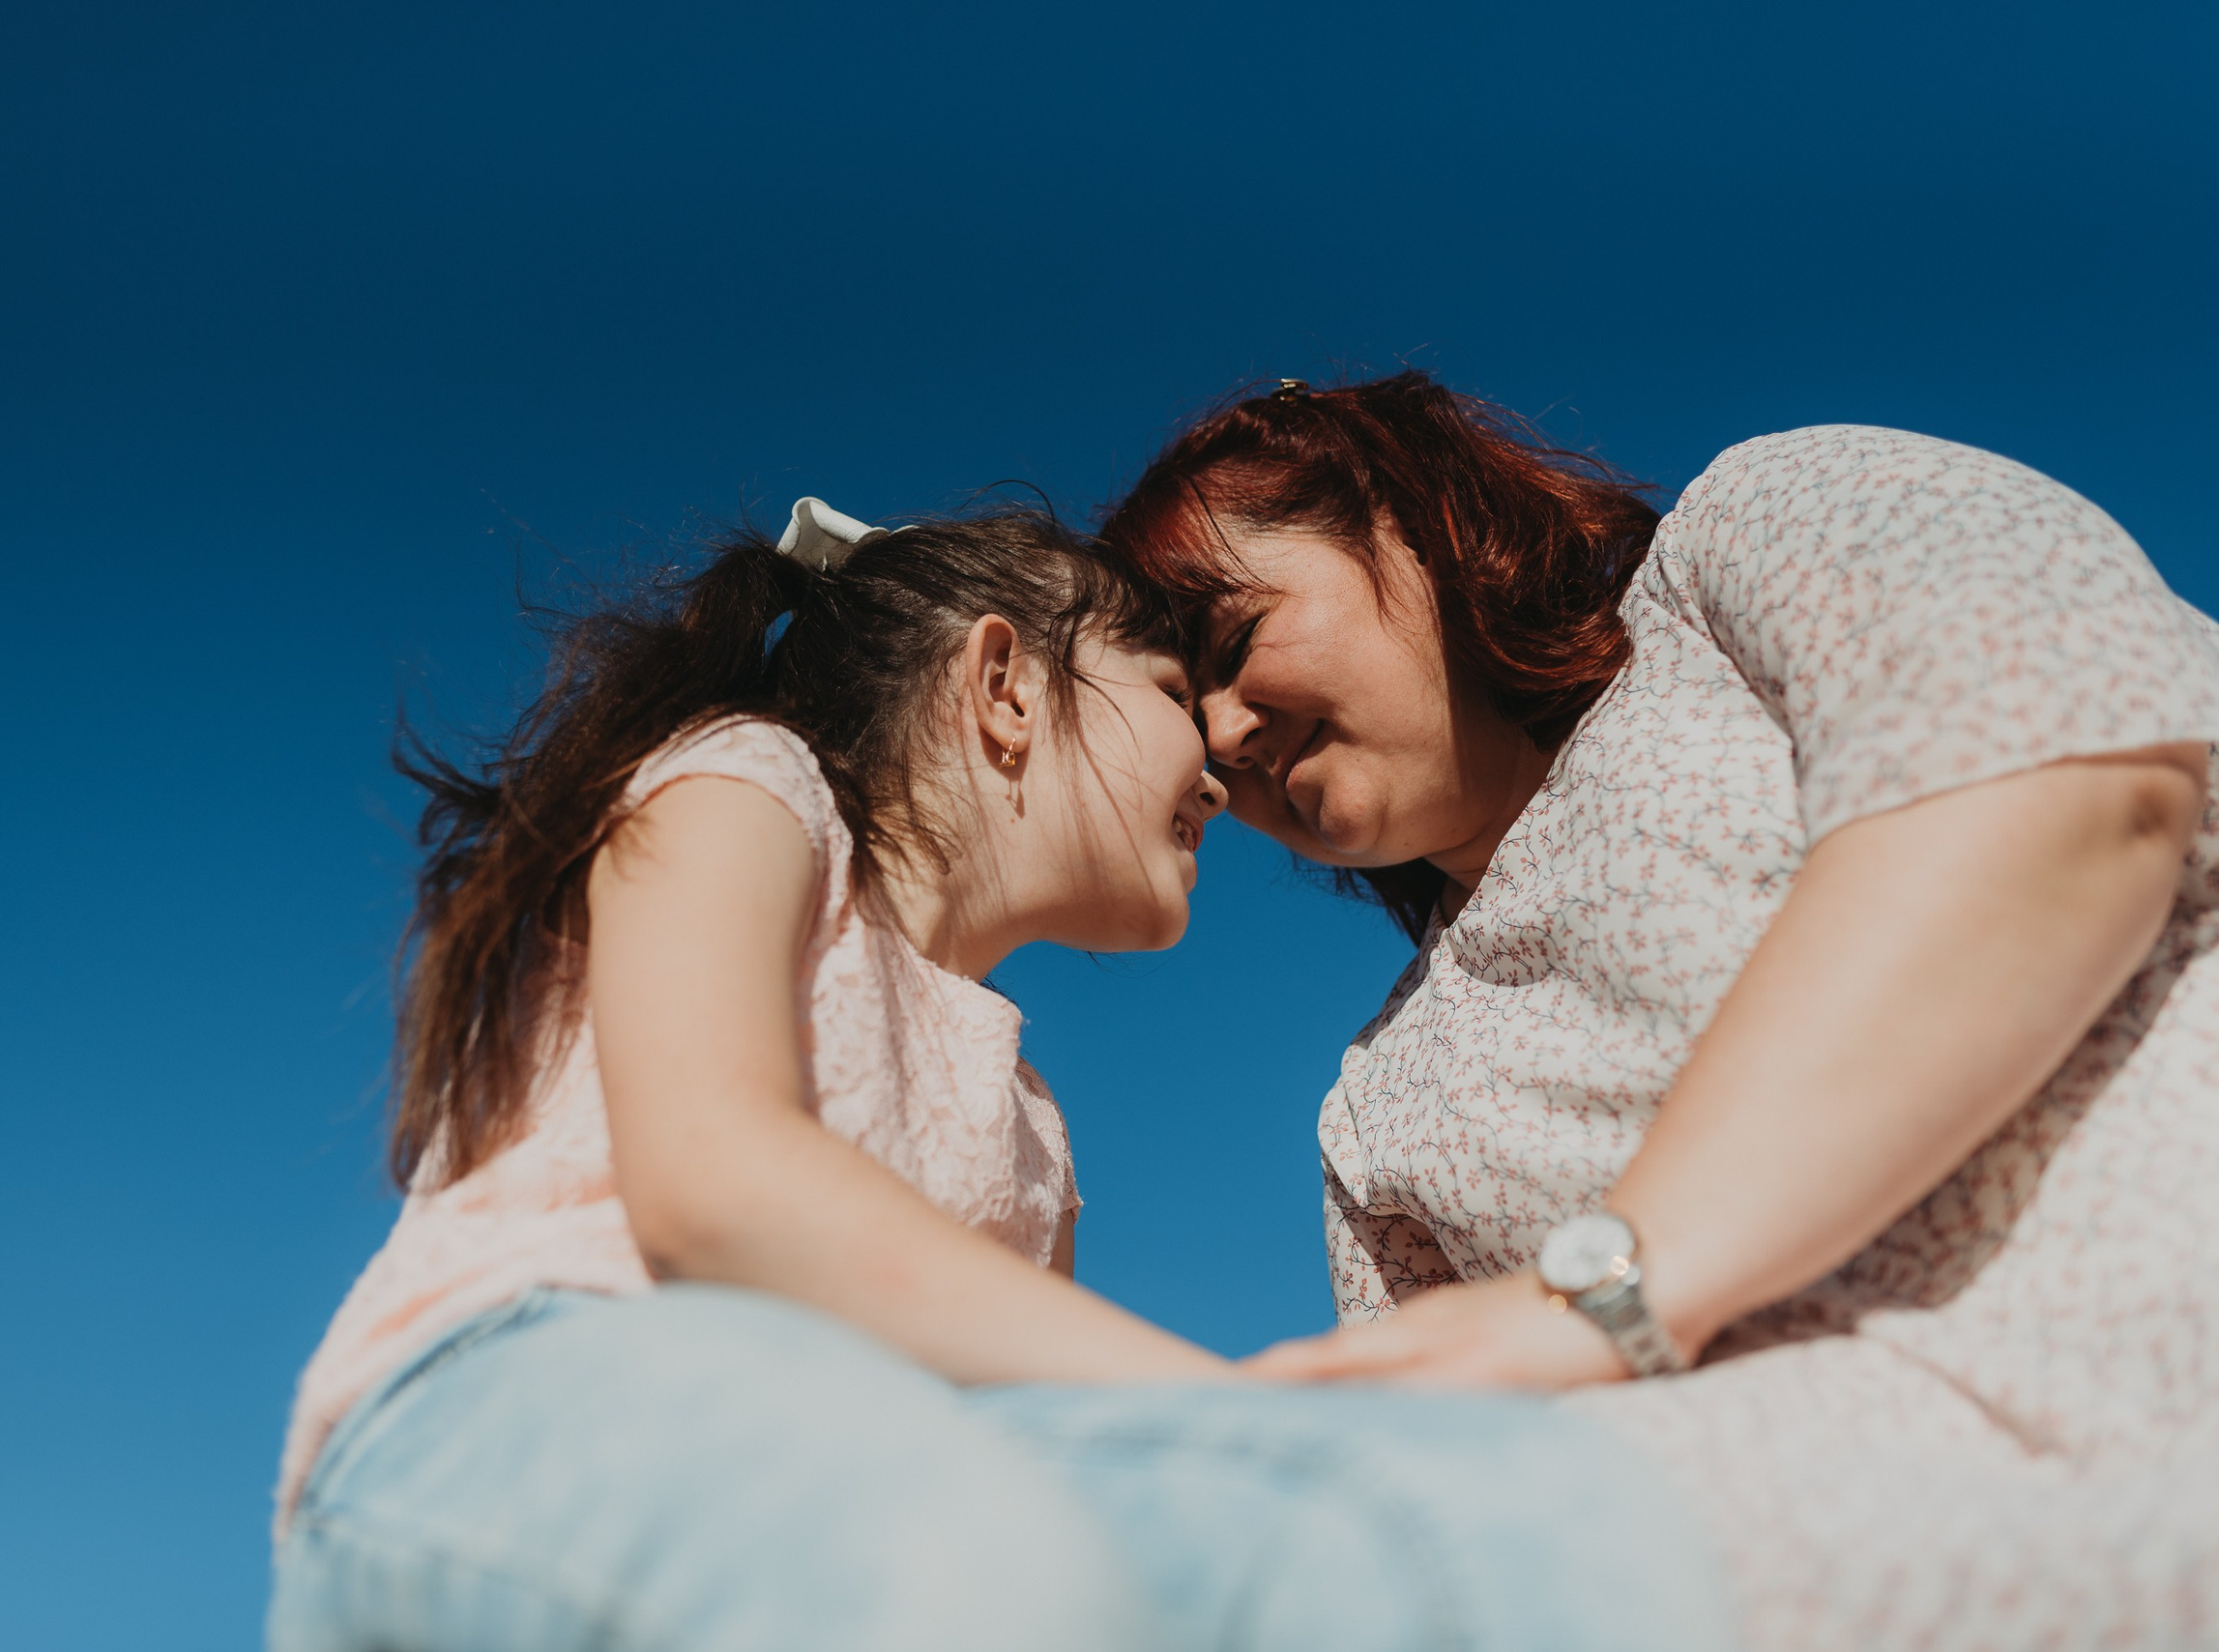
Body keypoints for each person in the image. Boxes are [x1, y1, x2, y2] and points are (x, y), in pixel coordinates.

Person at [268, 500, 1729, 1652]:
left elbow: (1050, 1432)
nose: (1218, 765)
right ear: (1005, 686)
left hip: (854, 1495)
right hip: (531, 1401)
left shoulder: (1033, 1133)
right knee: (998, 1568)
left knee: (1503, 1529)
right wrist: (1251, 1414)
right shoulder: (745, 785)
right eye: (1172, 689)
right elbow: (718, 1187)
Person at [1101, 372, 2219, 1651]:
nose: (1226, 734)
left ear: (1406, 515)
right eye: (1187, 717)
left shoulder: (1749, 536)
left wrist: (1617, 1289)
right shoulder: (1374, 1114)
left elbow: (2068, 788)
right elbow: (1446, 1474)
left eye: (1234, 643)